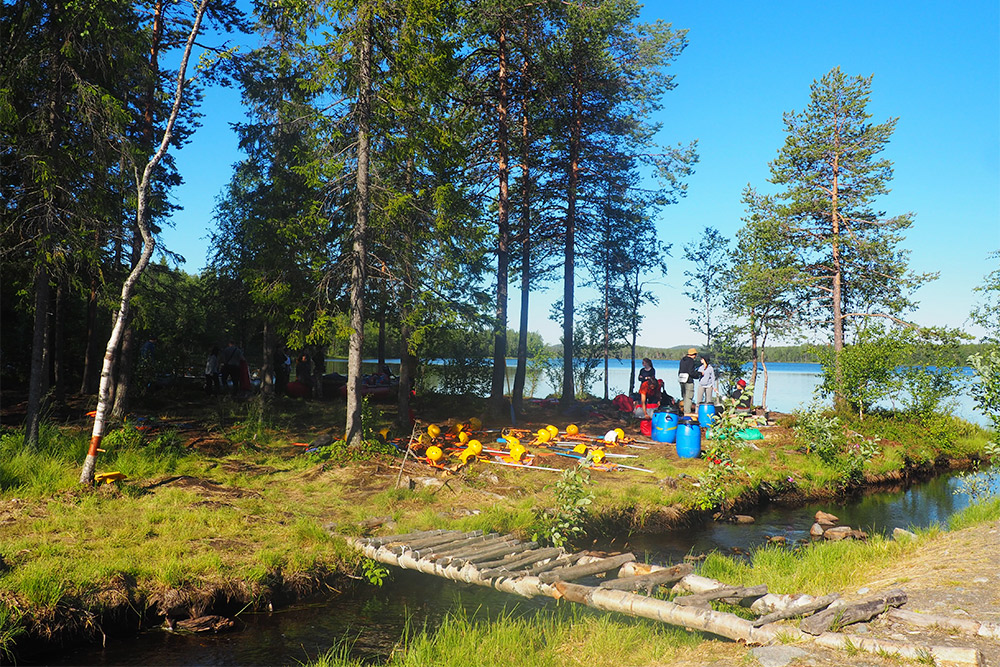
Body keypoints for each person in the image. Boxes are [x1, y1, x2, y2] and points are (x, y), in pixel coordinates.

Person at [678, 347, 700, 414]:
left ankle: (684, 412)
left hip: (681, 380)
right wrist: (698, 374)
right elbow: (691, 372)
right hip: (688, 381)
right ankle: (687, 413)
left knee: (684, 397)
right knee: (689, 398)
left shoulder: (682, 360)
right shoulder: (691, 361)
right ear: (693, 354)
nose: (695, 357)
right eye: (695, 355)